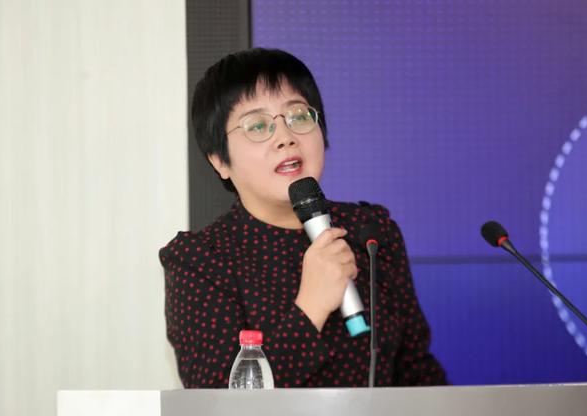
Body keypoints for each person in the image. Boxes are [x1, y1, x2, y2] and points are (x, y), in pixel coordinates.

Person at [159, 48, 447, 388]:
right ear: (219, 160)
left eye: (298, 116)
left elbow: (415, 371)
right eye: (258, 125)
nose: (285, 138)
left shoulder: (371, 231)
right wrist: (310, 308)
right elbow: (215, 399)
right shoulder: (201, 259)